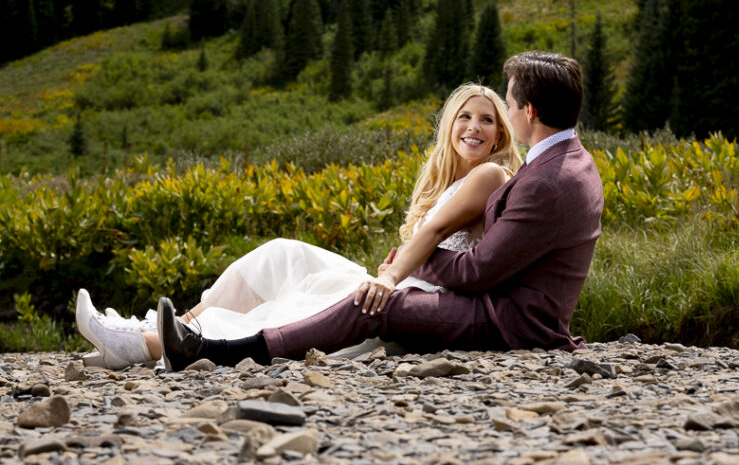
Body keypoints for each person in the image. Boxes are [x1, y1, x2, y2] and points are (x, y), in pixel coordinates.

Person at [158, 51, 604, 371]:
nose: (506, 111)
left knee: (375, 304)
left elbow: (478, 271)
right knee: (363, 292)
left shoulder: (546, 180)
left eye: (507, 105)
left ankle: (220, 352)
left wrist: (411, 262)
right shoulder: (572, 161)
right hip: (513, 310)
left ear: (529, 111)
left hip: (508, 323)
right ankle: (201, 340)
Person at [75, 83, 522, 369]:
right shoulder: (449, 180)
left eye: (487, 120)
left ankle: (144, 346)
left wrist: (389, 275)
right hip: (403, 284)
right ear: (450, 126)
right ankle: (159, 326)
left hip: (416, 303)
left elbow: (434, 235)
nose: (474, 127)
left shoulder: (490, 175)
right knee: (283, 253)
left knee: (304, 301)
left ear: (500, 135)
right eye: (465, 116)